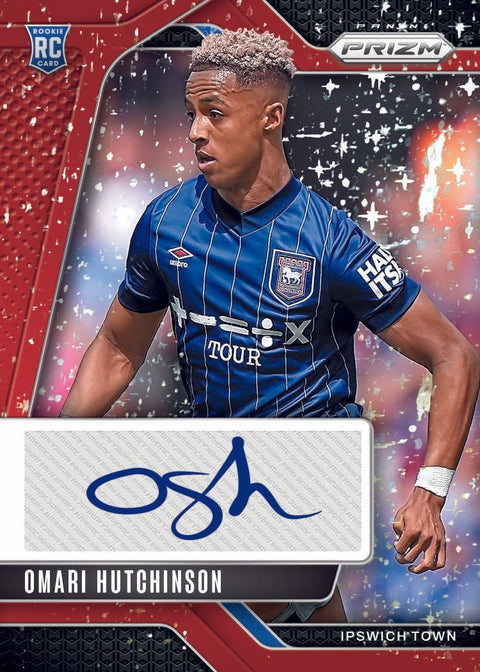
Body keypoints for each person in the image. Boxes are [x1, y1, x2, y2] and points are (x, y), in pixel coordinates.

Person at [60, 28, 480, 624]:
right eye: (191, 114)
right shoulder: (165, 222)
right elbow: (117, 348)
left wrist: (430, 492)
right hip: (212, 474)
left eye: (215, 114)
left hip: (308, 473)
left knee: (222, 615)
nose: (196, 131)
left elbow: (454, 354)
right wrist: (56, 453)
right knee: (299, 631)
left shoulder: (331, 241)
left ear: (271, 118)